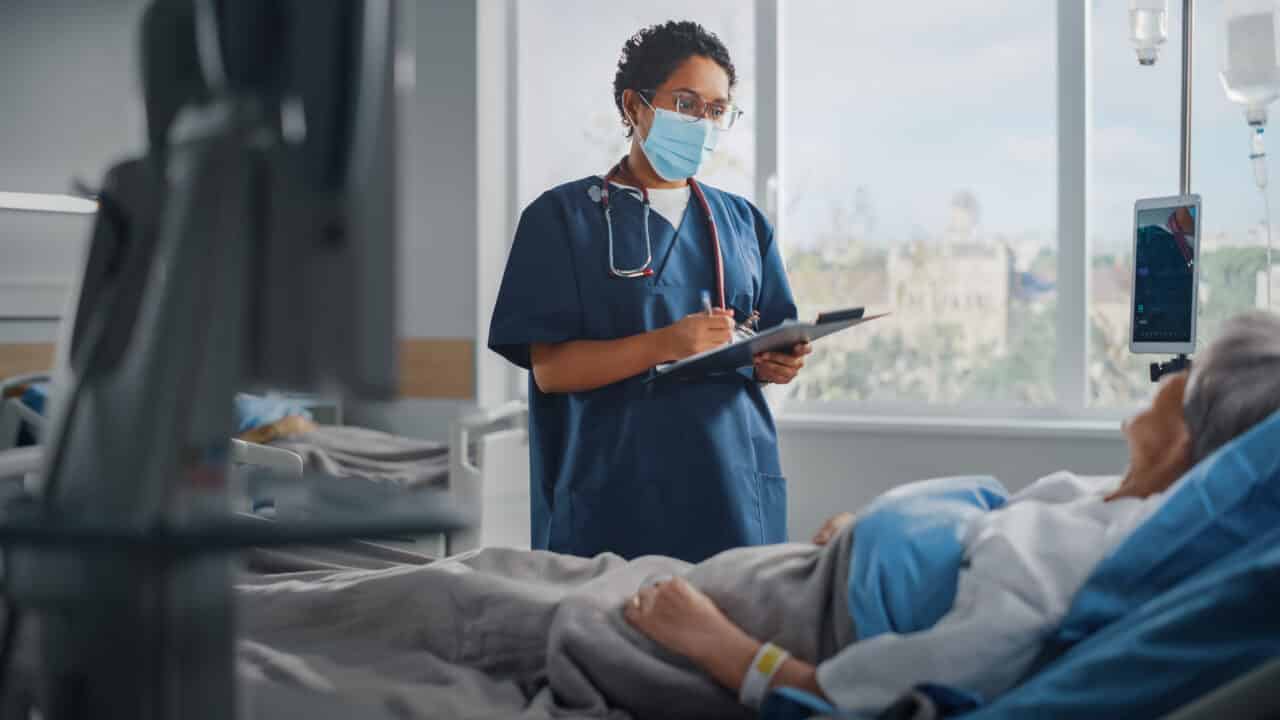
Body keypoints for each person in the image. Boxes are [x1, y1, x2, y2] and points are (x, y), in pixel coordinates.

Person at [240, 312, 1280, 718]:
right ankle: (211, 604)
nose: (1164, 375)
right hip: (756, 558)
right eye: (688, 104)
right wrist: (874, 528)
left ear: (1190, 436)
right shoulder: (1101, 511)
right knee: (479, 572)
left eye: (1183, 379)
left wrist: (726, 646)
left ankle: (182, 628)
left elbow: (894, 687)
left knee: (457, 596)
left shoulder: (1086, 560)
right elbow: (548, 361)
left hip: (764, 613)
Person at [488, 21, 808, 563]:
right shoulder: (562, 219)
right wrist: (667, 343)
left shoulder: (743, 223)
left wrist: (776, 362)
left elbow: (765, 336)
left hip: (729, 488)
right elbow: (552, 371)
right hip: (614, 494)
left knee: (727, 632)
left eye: (716, 109)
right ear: (634, 107)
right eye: (686, 103)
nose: (702, 123)